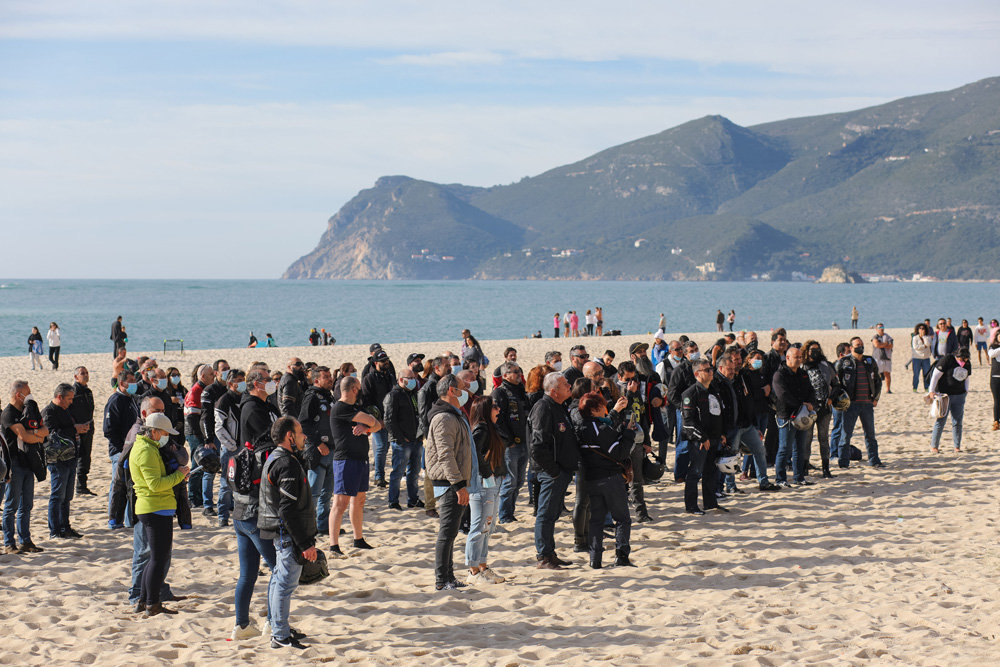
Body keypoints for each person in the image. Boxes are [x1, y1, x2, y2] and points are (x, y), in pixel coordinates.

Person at [257, 417, 317, 649]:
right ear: (289, 436)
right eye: (300, 432)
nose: (305, 436)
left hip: (280, 532)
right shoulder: (286, 464)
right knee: (284, 583)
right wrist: (304, 543)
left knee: (278, 581)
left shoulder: (280, 458)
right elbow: (287, 509)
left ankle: (277, 628)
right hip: (287, 534)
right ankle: (280, 636)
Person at [230, 368, 279, 638]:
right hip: (252, 505)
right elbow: (271, 440)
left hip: (244, 505)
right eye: (267, 379)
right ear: (256, 384)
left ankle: (242, 624)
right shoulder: (252, 408)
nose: (271, 382)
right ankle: (273, 622)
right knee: (278, 568)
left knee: (248, 572)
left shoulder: (264, 405)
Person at [130, 412, 190, 617]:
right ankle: (152, 603)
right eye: (164, 432)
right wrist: (179, 475)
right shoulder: (145, 450)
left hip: (155, 506)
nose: (166, 437)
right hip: (154, 507)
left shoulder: (148, 447)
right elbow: (155, 484)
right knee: (158, 558)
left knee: (155, 558)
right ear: (153, 432)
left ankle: (144, 600)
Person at [424, 374, 473, 590]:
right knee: (447, 532)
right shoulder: (443, 417)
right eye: (463, 387)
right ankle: (441, 580)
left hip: (454, 481)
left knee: (452, 532)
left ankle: (449, 577)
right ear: (452, 391)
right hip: (448, 483)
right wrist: (458, 485)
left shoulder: (452, 414)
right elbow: (445, 455)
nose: (466, 391)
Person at [575, 391, 634, 568]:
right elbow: (619, 452)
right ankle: (622, 556)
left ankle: (595, 559)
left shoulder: (580, 427)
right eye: (602, 406)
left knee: (596, 520)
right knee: (622, 518)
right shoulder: (598, 428)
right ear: (594, 409)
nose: (605, 409)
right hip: (610, 477)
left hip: (591, 478)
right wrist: (629, 433)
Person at [529, 372, 579, 570]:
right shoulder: (543, 407)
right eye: (565, 384)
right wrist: (554, 471)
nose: (569, 386)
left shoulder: (559, 406)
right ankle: (543, 556)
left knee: (553, 513)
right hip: (550, 472)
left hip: (562, 470)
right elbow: (538, 446)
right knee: (545, 514)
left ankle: (550, 553)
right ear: (553, 390)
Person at [329, 376, 380, 556]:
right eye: (359, 388)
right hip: (345, 460)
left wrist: (365, 427)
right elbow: (372, 420)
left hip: (360, 458)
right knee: (340, 503)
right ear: (354, 389)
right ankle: (333, 545)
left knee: (359, 501)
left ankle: (358, 539)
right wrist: (368, 423)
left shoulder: (356, 407)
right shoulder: (341, 407)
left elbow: (377, 426)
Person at [464, 396, 508, 585]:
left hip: (495, 481)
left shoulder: (492, 426)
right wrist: (488, 472)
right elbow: (474, 453)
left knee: (487, 528)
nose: (498, 409)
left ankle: (482, 565)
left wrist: (500, 471)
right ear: (484, 409)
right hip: (483, 483)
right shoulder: (481, 428)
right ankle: (473, 571)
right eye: (494, 406)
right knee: (479, 526)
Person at [3, 382, 48, 554]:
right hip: (14, 463)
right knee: (11, 505)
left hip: (28, 462)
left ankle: (25, 541)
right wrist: (36, 436)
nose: (30, 396)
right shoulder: (9, 414)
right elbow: (24, 436)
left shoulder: (28, 410)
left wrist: (35, 435)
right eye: (27, 393)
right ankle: (9, 543)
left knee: (27, 505)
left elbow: (45, 430)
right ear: (18, 395)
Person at [680, 359, 726, 514]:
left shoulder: (714, 390)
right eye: (706, 370)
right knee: (695, 472)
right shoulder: (690, 393)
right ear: (696, 374)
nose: (710, 372)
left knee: (711, 472)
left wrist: (722, 434)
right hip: (698, 441)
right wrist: (702, 437)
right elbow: (688, 421)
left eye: (711, 369)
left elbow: (718, 413)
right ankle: (691, 506)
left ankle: (710, 503)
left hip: (714, 438)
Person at [42, 383, 87, 540]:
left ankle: (65, 527)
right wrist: (75, 429)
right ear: (59, 397)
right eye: (69, 399)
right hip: (57, 460)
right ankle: (55, 530)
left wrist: (78, 429)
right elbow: (52, 434)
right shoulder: (48, 412)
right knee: (57, 496)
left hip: (71, 457)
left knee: (67, 496)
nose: (71, 402)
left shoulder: (65, 410)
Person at [834, 337, 883, 468]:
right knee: (845, 435)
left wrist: (876, 398)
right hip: (851, 405)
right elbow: (835, 383)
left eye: (861, 344)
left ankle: (874, 461)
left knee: (870, 434)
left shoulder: (869, 361)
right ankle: (843, 463)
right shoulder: (844, 362)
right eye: (857, 345)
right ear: (851, 347)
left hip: (867, 403)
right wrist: (840, 400)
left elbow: (878, 380)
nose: (860, 346)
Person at [493, 361, 530, 525]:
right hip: (510, 445)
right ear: (505, 375)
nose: (518, 375)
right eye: (515, 372)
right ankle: (505, 515)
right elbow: (497, 421)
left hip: (524, 442)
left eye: (519, 371)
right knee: (509, 482)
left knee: (519, 481)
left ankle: (510, 512)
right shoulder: (500, 393)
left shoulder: (521, 390)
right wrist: (508, 442)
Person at [383, 367, 423, 511]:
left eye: (414, 378)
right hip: (402, 442)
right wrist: (400, 438)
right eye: (410, 378)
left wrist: (420, 435)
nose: (413, 380)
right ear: (401, 380)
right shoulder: (393, 396)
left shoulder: (414, 394)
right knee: (398, 473)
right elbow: (389, 420)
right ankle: (393, 501)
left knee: (414, 473)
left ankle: (413, 499)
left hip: (416, 440)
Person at [104, 370, 140, 525]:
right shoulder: (115, 401)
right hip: (120, 452)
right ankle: (114, 519)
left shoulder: (131, 399)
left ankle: (128, 520)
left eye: (134, 380)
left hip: (133, 450)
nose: (134, 383)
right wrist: (121, 449)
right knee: (118, 486)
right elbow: (109, 430)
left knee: (130, 487)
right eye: (130, 381)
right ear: (121, 383)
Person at [802, 341, 839, 479]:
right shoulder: (802, 366)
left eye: (818, 349)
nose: (815, 352)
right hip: (807, 410)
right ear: (807, 351)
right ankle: (805, 467)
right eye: (812, 349)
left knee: (823, 439)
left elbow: (836, 385)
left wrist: (831, 399)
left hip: (824, 409)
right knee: (807, 439)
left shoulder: (826, 365)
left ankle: (826, 469)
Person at [183, 364, 217, 513]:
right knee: (198, 464)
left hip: (200, 433)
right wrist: (202, 437)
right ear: (202, 376)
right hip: (195, 433)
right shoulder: (195, 392)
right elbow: (191, 418)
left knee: (203, 465)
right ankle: (193, 498)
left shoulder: (205, 390)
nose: (213, 377)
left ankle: (200, 498)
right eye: (211, 375)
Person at [360, 349, 394, 488]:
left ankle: (383, 476)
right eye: (383, 361)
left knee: (387, 448)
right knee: (380, 447)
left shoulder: (390, 377)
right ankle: (379, 476)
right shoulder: (369, 379)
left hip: (391, 419)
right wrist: (377, 420)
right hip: (377, 420)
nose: (386, 363)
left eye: (387, 360)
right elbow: (366, 402)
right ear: (375, 363)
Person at [667, 340, 699, 482]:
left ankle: (697, 472)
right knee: (683, 444)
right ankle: (680, 475)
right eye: (691, 351)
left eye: (696, 350)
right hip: (684, 413)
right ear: (685, 354)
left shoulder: (703, 366)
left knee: (699, 443)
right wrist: (683, 409)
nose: (694, 353)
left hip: (701, 410)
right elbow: (671, 394)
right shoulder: (679, 370)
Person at [928, 347, 972, 453]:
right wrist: (931, 391)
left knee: (957, 422)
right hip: (944, 395)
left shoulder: (967, 363)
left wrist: (966, 391)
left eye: (966, 359)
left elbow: (966, 378)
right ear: (957, 356)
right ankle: (934, 446)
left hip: (959, 395)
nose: (964, 361)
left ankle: (957, 447)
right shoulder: (947, 360)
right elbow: (935, 376)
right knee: (941, 420)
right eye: (962, 359)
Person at [68, 366, 97, 496]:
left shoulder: (88, 391)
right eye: (82, 373)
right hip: (76, 430)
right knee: (76, 458)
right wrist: (76, 426)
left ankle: (82, 486)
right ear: (76, 377)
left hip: (88, 429)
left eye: (86, 372)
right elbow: (67, 411)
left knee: (86, 458)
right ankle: (76, 485)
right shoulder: (73, 392)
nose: (85, 375)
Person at [871, 324, 894, 394]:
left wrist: (882, 344)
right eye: (880, 327)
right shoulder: (875, 337)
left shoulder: (888, 336)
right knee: (876, 374)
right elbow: (877, 345)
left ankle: (888, 389)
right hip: (877, 358)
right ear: (876, 329)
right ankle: (875, 389)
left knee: (887, 374)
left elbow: (890, 346)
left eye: (882, 327)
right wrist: (885, 344)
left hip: (887, 358)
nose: (881, 329)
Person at [911, 323, 933, 392]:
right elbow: (916, 347)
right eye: (920, 328)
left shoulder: (927, 337)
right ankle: (915, 388)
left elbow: (928, 344)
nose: (921, 330)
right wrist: (924, 346)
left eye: (923, 328)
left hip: (926, 358)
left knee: (926, 374)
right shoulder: (915, 338)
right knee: (916, 374)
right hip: (916, 358)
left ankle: (926, 388)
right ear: (917, 330)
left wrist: (923, 337)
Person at [988, 331, 1000, 431]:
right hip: (995, 377)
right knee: (997, 400)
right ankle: (996, 421)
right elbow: (991, 355)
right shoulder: (993, 346)